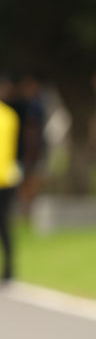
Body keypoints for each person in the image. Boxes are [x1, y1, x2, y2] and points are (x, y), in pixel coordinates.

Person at [0, 78, 22, 281]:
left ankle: (8, 268)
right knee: (5, 224)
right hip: (8, 177)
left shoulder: (8, 116)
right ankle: (9, 269)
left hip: (4, 178)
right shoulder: (10, 116)